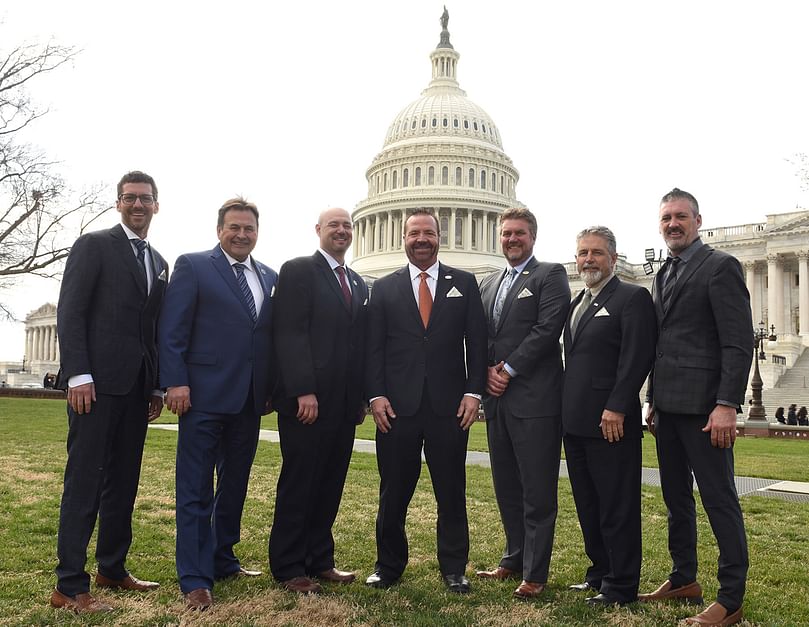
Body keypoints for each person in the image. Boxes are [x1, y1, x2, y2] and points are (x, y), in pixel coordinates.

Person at [51, 171, 167, 613]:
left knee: (123, 482)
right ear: (118, 203)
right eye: (130, 198)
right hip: (94, 388)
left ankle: (112, 568)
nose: (138, 205)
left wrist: (155, 384)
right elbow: (72, 310)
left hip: (137, 390)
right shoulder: (93, 245)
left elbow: (151, 328)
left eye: (146, 199)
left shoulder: (158, 261)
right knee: (85, 481)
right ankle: (69, 585)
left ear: (157, 205)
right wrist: (78, 373)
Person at [158, 197, 277, 610]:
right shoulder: (193, 266)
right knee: (194, 488)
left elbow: (265, 338)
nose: (242, 234)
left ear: (257, 233)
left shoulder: (269, 275)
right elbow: (172, 330)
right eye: (235, 227)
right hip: (202, 397)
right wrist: (175, 382)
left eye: (249, 228)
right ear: (219, 230)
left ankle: (223, 557)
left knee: (234, 485)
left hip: (248, 401)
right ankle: (194, 577)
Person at [641, 188, 753, 627]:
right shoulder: (662, 272)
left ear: (698, 220)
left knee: (719, 499)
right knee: (675, 501)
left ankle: (731, 598)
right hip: (667, 409)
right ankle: (683, 578)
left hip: (707, 410)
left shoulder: (720, 267)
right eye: (666, 218)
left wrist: (727, 404)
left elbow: (738, 342)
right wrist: (652, 400)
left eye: (680, 217)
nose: (673, 224)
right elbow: (661, 344)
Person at [364, 208, 487, 593]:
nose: (421, 239)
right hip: (397, 408)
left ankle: (454, 568)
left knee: (451, 490)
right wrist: (376, 395)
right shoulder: (383, 288)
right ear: (404, 237)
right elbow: (373, 349)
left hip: (448, 408)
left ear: (439, 236)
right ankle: (388, 566)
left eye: (428, 233)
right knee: (394, 490)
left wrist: (473, 392)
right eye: (414, 232)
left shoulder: (464, 283)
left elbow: (477, 344)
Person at [269, 208, 369, 593]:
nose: (341, 231)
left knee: (330, 484)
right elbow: (290, 333)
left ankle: (319, 559)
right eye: (334, 225)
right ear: (318, 231)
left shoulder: (357, 283)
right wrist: (301, 389)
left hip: (344, 406)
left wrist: (360, 398)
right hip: (307, 402)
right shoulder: (298, 270)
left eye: (346, 226)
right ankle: (289, 565)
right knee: (300, 482)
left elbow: (357, 346)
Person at [475, 208, 569, 599]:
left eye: (519, 233)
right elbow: (479, 335)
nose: (512, 239)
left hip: (535, 400)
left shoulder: (550, 275)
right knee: (507, 485)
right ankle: (513, 557)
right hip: (498, 403)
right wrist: (484, 372)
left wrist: (508, 370)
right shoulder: (489, 282)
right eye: (507, 234)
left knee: (537, 490)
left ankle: (536, 571)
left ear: (533, 236)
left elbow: (547, 330)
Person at [562, 226, 657, 606]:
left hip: (611, 421)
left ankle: (621, 584)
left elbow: (637, 357)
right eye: (583, 252)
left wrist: (617, 405)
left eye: (596, 253)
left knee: (617, 505)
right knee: (589, 504)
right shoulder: (576, 302)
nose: (588, 259)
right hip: (576, 422)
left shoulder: (631, 298)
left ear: (613, 259)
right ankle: (598, 572)